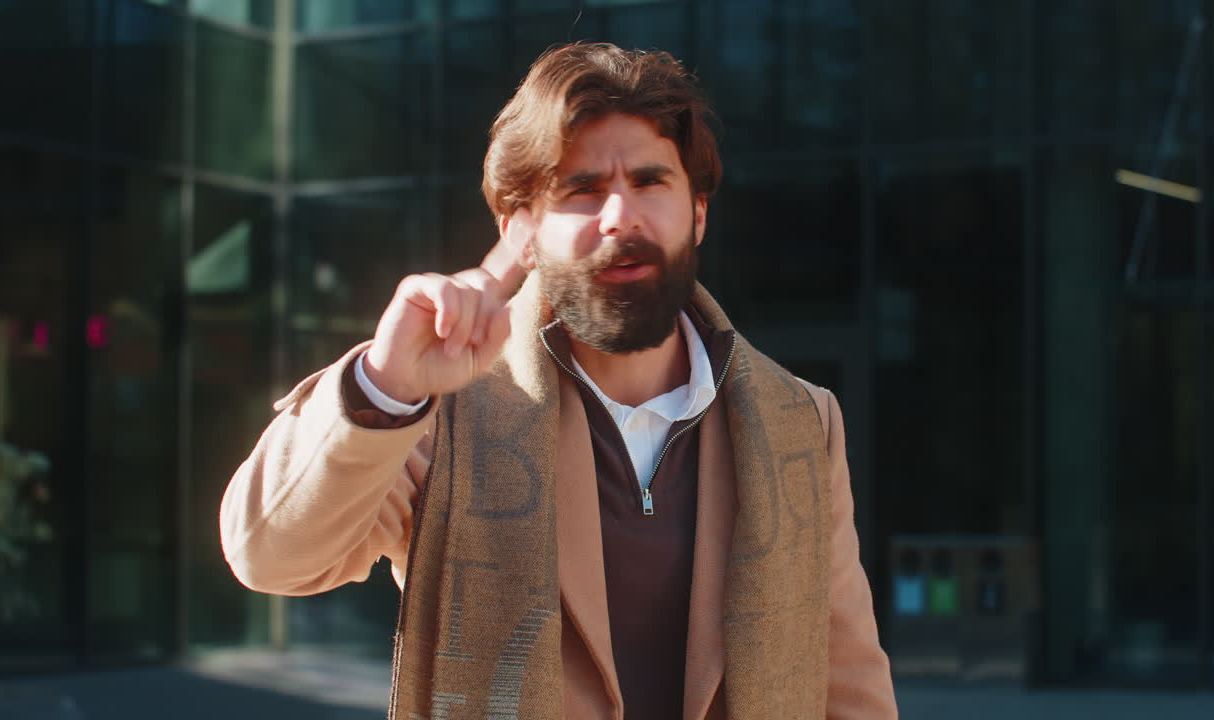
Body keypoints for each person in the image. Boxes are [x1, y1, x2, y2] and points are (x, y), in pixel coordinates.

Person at [220, 42, 896, 720]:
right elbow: (272, 557)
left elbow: (850, 680)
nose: (619, 217)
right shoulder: (439, 413)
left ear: (697, 214)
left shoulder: (800, 419)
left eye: (650, 181)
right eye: (583, 189)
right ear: (523, 234)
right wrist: (387, 384)